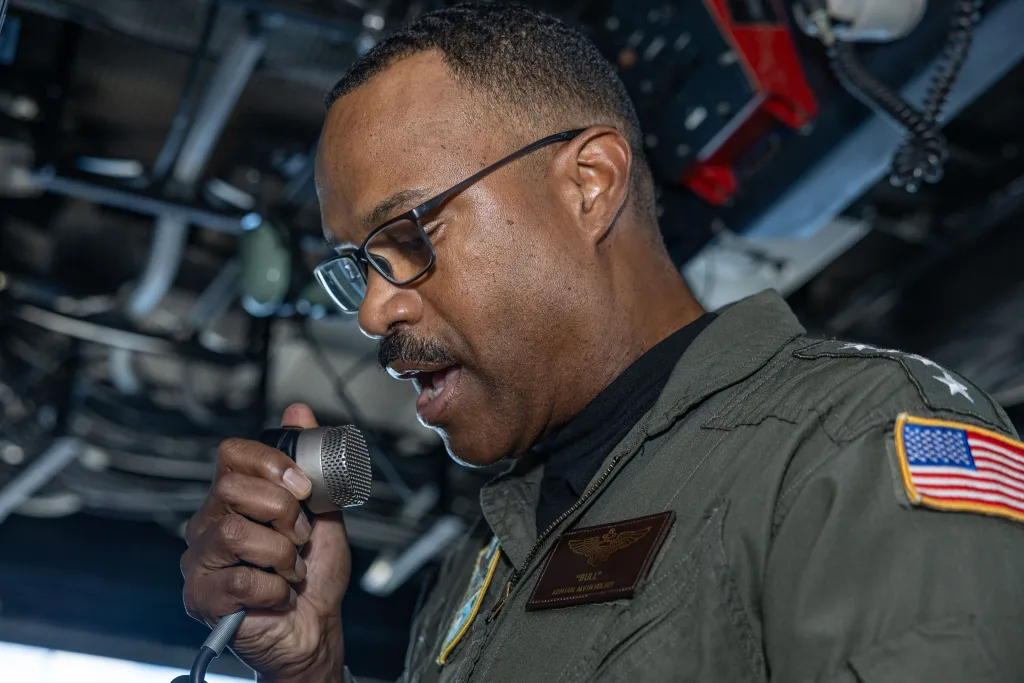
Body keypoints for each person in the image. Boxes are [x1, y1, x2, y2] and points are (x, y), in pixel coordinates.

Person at [179, 4, 1024, 682]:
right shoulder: (484, 558)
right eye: (357, 268)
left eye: (408, 236)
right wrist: (311, 670)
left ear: (590, 184)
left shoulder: (849, 442)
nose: (372, 313)